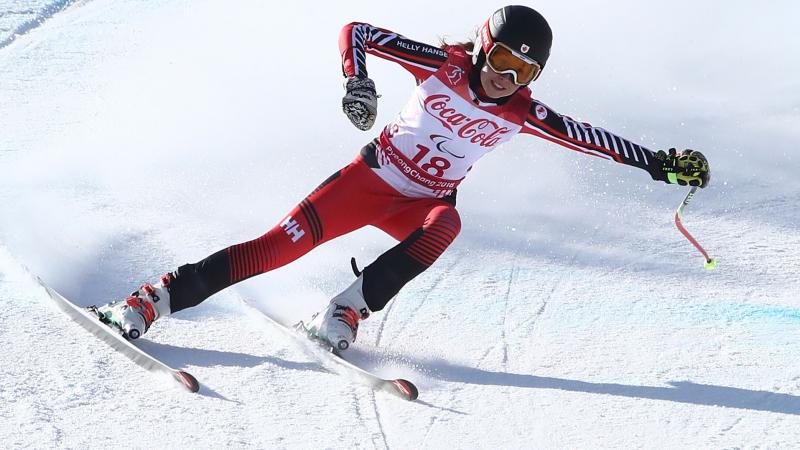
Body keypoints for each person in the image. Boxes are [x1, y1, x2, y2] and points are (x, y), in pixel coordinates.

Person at [96, 5, 710, 349]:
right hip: (367, 182)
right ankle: (154, 299)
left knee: (448, 222)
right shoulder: (442, 64)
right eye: (500, 59)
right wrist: (356, 80)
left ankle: (345, 310)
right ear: (481, 47)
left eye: (523, 72)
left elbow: (587, 138)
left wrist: (659, 164)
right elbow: (357, 32)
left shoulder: (521, 112)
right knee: (274, 251)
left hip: (418, 205)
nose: (505, 78)